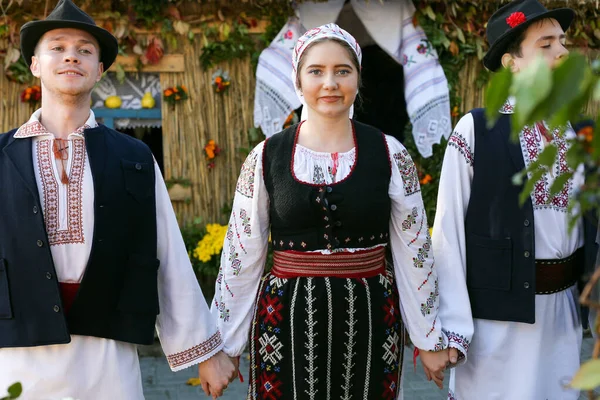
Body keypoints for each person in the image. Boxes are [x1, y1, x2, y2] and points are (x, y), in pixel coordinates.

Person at [211, 23, 469, 399]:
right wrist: (227, 347)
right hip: (285, 322)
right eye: (316, 71)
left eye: (342, 71)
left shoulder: (391, 154)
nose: (329, 83)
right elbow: (241, 253)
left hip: (370, 319)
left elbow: (414, 252)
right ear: (298, 82)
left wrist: (428, 337)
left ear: (358, 80)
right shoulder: (266, 157)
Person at [0, 0, 235, 398]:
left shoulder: (134, 157)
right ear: (35, 64)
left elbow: (165, 252)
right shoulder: (1, 155)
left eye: (85, 50)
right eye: (57, 47)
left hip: (108, 352)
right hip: (18, 351)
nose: (71, 55)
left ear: (100, 69)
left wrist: (206, 351)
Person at [432, 0, 598, 398]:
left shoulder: (581, 134)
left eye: (562, 42)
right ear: (512, 62)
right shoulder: (476, 130)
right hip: (496, 323)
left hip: (562, 317)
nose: (562, 52)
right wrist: (451, 330)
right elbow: (447, 234)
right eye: (545, 44)